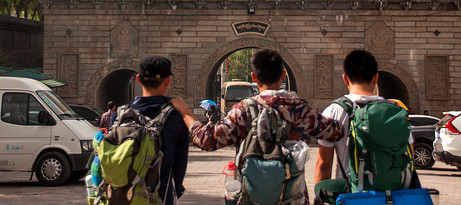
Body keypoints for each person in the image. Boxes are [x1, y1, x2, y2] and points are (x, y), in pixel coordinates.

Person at [171, 48, 344, 204]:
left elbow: (207, 140)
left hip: (251, 197)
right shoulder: (300, 110)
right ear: (283, 74)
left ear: (254, 77)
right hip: (292, 197)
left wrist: (185, 112)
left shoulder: (243, 111)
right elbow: (336, 131)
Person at [113, 55, 189, 204]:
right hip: (159, 197)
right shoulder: (175, 117)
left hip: (122, 197)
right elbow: (180, 164)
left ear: (138, 79)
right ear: (168, 81)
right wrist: (177, 188)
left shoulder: (120, 114)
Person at [314, 49, 385, 186]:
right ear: (376, 78)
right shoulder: (397, 111)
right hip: (391, 195)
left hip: (352, 193)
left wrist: (320, 199)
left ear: (345, 78)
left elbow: (323, 164)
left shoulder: (334, 111)